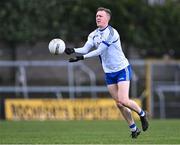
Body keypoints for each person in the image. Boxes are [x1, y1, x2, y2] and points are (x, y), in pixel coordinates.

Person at [65, 7, 149, 138]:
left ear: (107, 19)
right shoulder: (93, 34)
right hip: (109, 73)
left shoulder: (111, 33)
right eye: (97, 15)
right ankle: (133, 129)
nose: (98, 17)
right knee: (119, 104)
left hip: (122, 69)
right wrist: (72, 50)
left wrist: (82, 58)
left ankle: (142, 114)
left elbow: (100, 51)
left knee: (124, 100)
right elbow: (85, 48)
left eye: (101, 16)